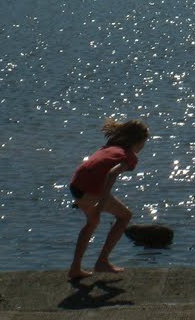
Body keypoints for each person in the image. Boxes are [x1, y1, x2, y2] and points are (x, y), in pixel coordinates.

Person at [67, 118, 150, 280]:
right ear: (138, 141)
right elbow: (111, 174)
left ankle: (75, 268)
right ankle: (102, 261)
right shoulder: (129, 157)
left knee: (92, 223)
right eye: (144, 142)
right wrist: (100, 205)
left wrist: (85, 199)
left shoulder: (109, 147)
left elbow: (94, 168)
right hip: (89, 190)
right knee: (125, 216)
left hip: (76, 185)